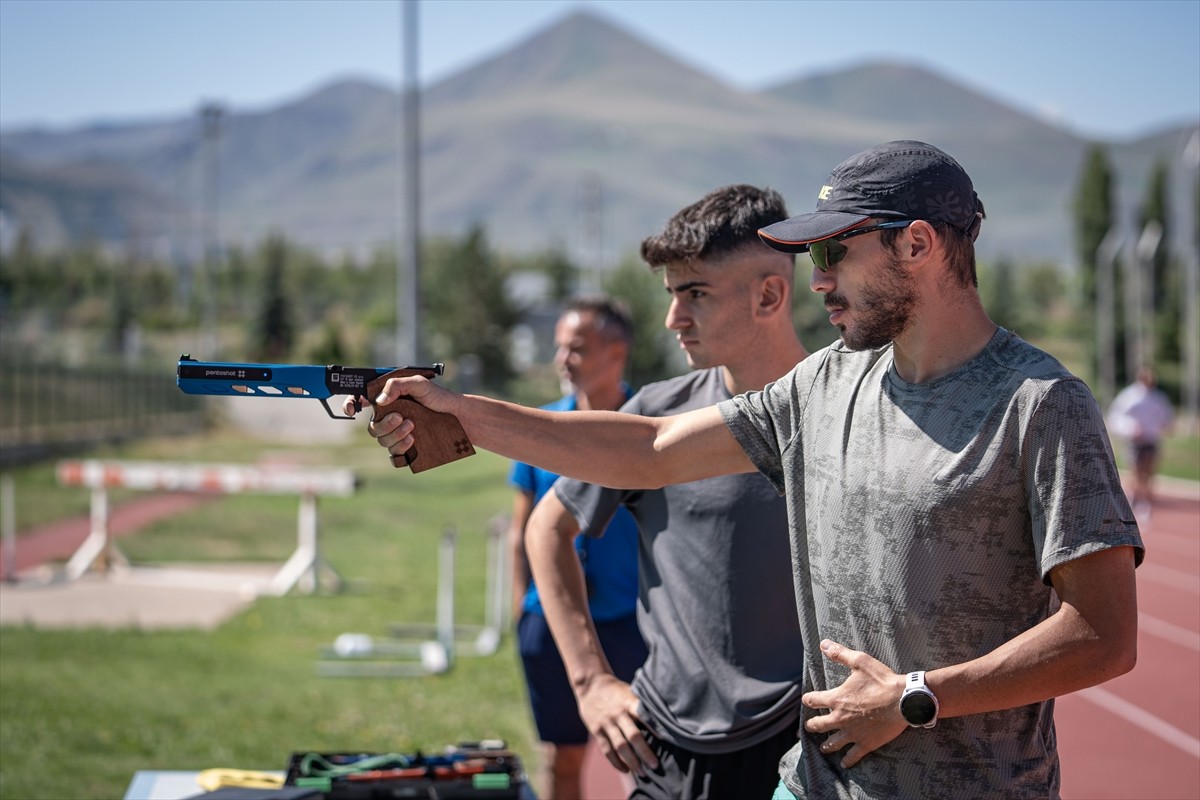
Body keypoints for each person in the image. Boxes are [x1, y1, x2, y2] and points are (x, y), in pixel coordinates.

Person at [349, 140, 1142, 799]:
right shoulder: (826, 381)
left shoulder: (1042, 403)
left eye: (835, 251)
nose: (818, 279)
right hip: (812, 785)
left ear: (919, 244)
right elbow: (650, 449)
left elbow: (1104, 636)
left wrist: (914, 697)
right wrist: (469, 415)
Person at [526, 185, 809, 800]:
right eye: (672, 294)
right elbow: (548, 528)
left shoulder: (842, 411)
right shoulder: (656, 415)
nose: (673, 319)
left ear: (769, 294)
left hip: (802, 752)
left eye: (696, 294)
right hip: (668, 753)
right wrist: (590, 683)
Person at [509, 295, 647, 800]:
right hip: (550, 623)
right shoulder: (538, 429)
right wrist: (522, 609)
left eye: (577, 348)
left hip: (634, 624)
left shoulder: (656, 428)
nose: (562, 360)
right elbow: (520, 529)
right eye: (559, 348)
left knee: (649, 758)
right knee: (561, 761)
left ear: (617, 352)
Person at [1106, 367, 1174, 517]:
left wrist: (1165, 425)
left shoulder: (1158, 398)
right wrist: (1130, 428)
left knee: (1149, 472)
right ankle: (1134, 498)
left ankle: (1146, 500)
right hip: (1135, 441)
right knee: (1135, 470)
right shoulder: (1128, 396)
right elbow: (1115, 417)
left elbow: (1166, 417)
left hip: (1151, 439)